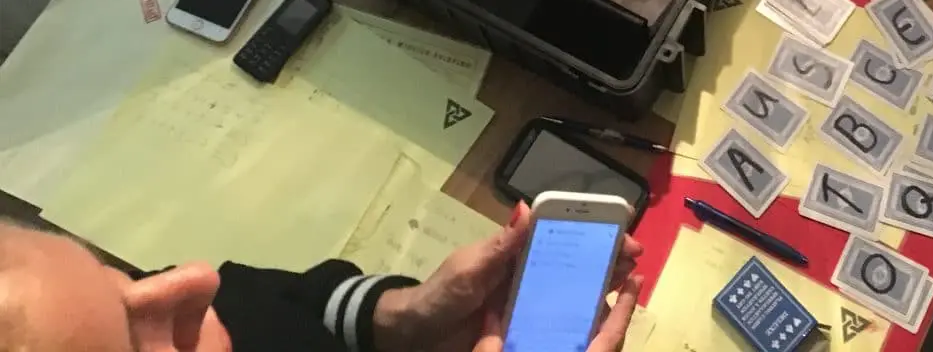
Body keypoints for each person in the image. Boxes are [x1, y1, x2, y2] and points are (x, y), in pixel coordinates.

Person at [0, 202, 642, 352]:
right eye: (131, 336)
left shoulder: (205, 316)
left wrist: (406, 318)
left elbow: (274, 308)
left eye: (114, 274)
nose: (193, 279)